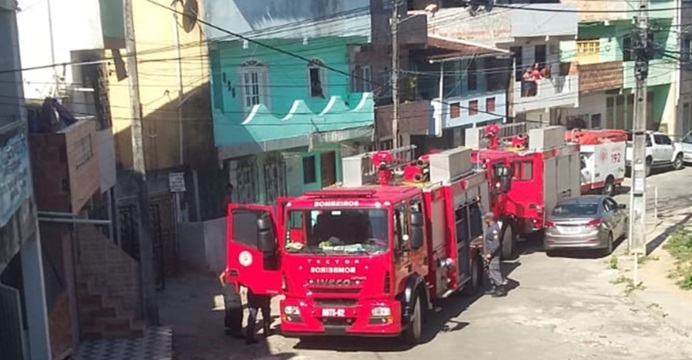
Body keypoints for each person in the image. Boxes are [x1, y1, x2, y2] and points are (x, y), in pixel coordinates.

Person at [483, 212, 507, 297]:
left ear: (489, 219)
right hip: (491, 253)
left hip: (494, 254)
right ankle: (494, 287)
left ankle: (500, 288)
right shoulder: (491, 226)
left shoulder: (494, 229)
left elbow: (496, 244)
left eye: (485, 219)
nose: (484, 220)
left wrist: (490, 253)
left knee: (494, 270)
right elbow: (483, 213)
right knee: (490, 270)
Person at [219, 269, 244, 338]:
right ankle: (237, 332)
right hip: (233, 292)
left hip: (227, 290)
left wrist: (224, 286)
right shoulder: (237, 270)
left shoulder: (228, 269)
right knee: (237, 312)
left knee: (229, 310)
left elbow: (221, 277)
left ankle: (228, 328)